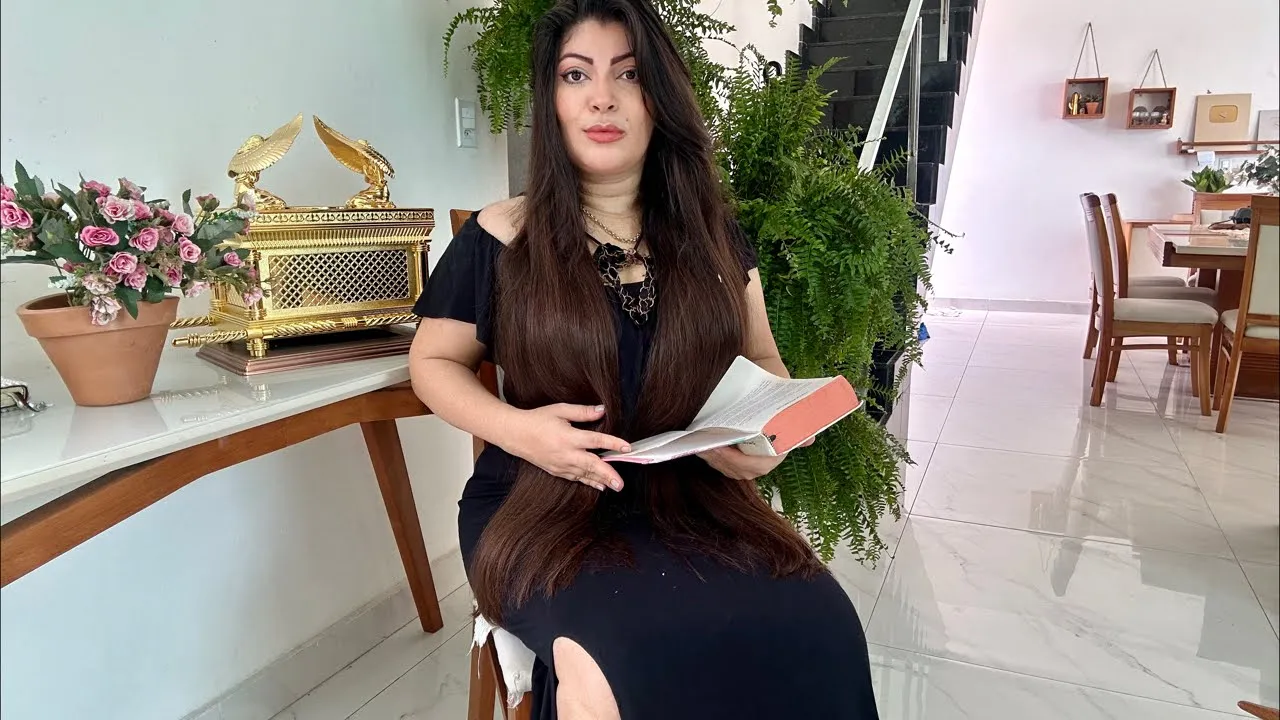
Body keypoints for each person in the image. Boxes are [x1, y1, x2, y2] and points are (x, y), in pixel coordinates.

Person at [409, 1, 879, 717]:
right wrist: (522, 432)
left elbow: (764, 361)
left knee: (823, 629)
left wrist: (770, 436)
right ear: (551, 99)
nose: (602, 97)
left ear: (660, 97)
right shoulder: (502, 236)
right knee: (616, 664)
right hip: (542, 504)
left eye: (628, 75)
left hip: (696, 500)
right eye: (576, 75)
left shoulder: (713, 234)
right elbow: (433, 364)